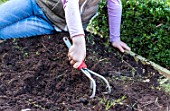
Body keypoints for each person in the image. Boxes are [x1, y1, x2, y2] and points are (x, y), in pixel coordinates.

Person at [0, 0, 131, 68]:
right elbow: (70, 3)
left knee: (3, 33)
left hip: (51, 23)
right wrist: (79, 43)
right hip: (34, 3)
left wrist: (115, 38)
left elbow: (115, 3)